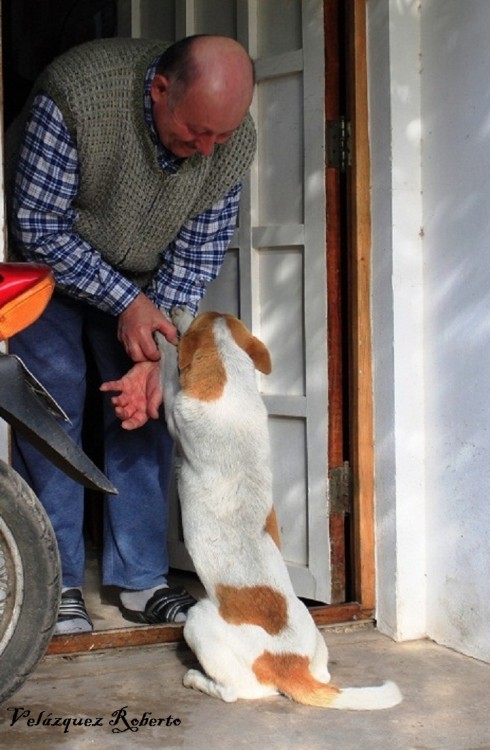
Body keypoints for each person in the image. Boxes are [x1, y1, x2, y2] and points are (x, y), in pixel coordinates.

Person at [6, 34, 256, 634]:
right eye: (197, 131)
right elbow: (37, 227)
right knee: (52, 402)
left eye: (219, 137)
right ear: (160, 88)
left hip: (146, 277)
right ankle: (56, 583)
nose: (205, 150)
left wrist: (157, 353)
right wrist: (127, 301)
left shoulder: (228, 143)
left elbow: (197, 256)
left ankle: (142, 579)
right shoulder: (77, 98)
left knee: (144, 406)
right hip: (46, 273)